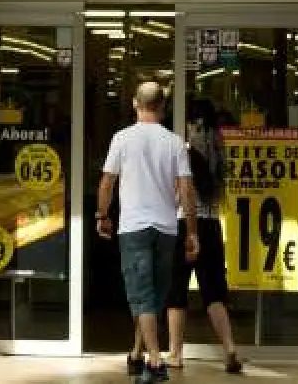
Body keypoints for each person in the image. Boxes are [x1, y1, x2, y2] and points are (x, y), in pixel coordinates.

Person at [97, 82, 199, 384]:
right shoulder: (175, 143)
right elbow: (187, 190)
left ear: (134, 104)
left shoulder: (122, 139)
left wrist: (102, 215)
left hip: (134, 227)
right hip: (166, 228)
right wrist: (192, 232)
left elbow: (107, 182)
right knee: (153, 295)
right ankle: (136, 352)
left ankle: (155, 361)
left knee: (142, 296)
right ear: (163, 107)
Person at [163, 98, 243, 374]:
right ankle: (230, 348)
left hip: (183, 224)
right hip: (211, 224)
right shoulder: (220, 150)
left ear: (191, 122)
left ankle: (175, 353)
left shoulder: (183, 152)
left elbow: (180, 193)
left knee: (176, 291)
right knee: (214, 292)